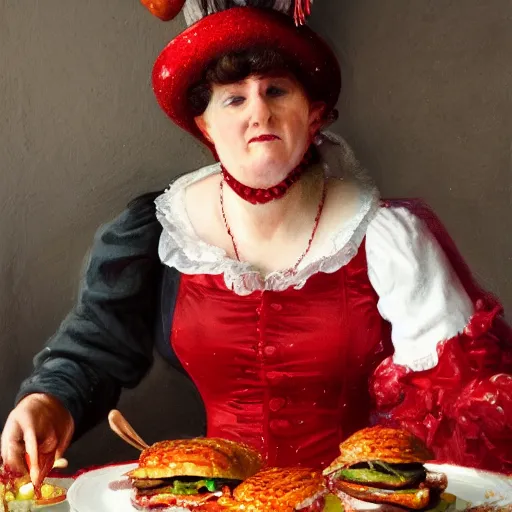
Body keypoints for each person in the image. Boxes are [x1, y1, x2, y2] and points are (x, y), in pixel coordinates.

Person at [2, 1, 512, 489]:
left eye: (276, 92)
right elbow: (97, 349)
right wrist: (50, 400)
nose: (259, 114)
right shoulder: (161, 232)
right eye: (234, 98)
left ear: (313, 115)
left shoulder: (387, 239)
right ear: (204, 124)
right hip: (211, 500)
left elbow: (459, 406)